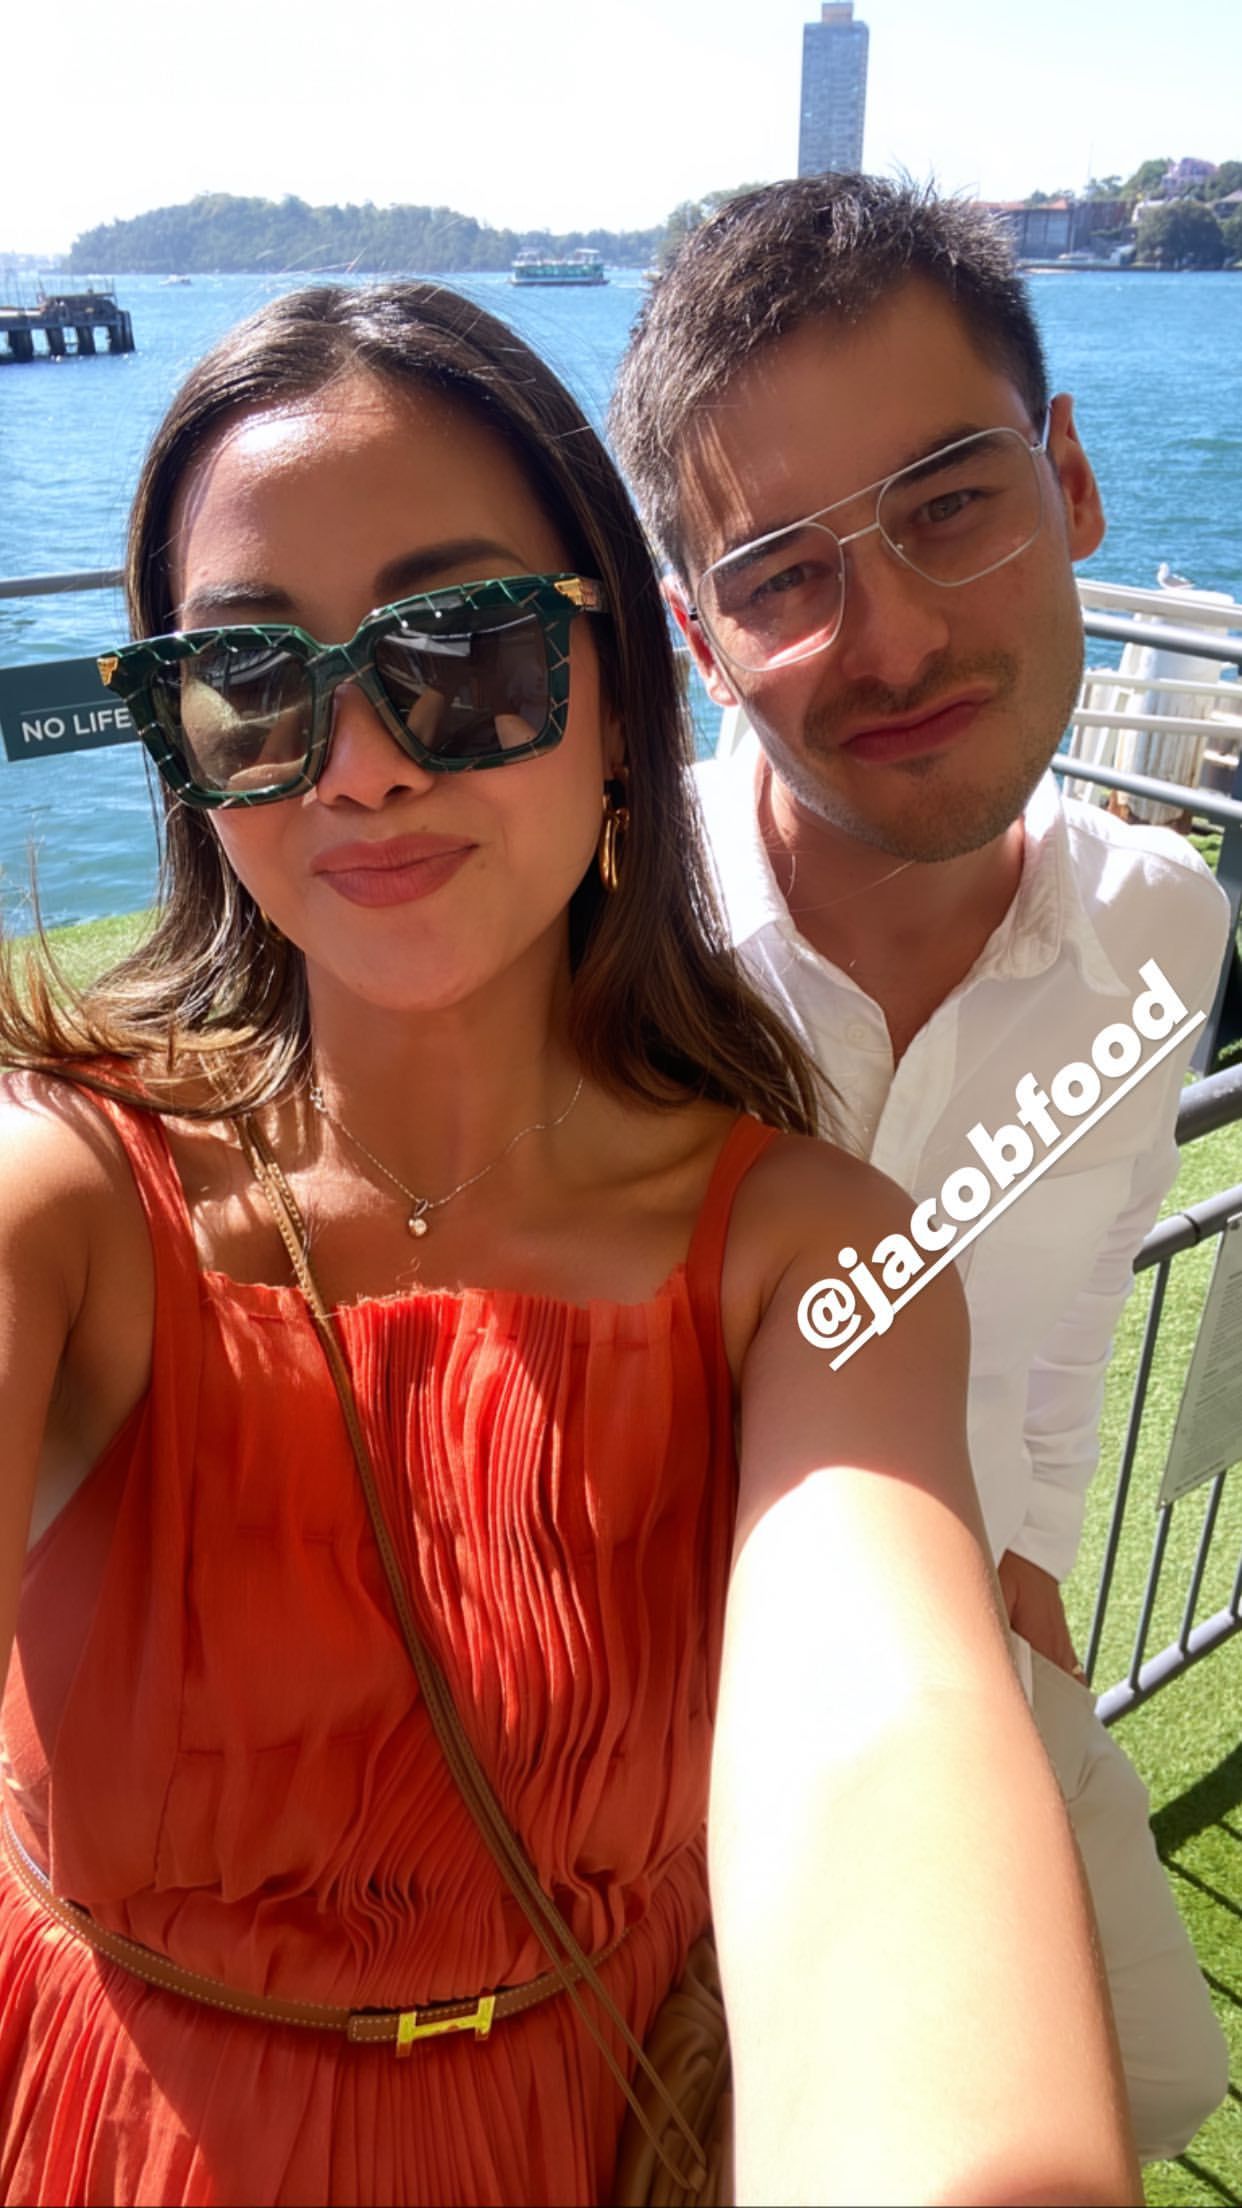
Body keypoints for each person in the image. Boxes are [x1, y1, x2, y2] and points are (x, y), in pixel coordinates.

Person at [0, 281, 1139, 2208]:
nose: (360, 763)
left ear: (622, 692)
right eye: (253, 680)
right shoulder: (70, 1196)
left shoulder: (806, 1262)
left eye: (461, 653)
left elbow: (881, 1732)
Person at [610, 172, 1231, 2165]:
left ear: (1072, 479)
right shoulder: (592, 948)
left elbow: (1061, 1327)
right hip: (616, 1760)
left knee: (1149, 2076)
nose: (888, 639)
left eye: (953, 503)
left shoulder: (1162, 930)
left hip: (969, 1671)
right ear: (698, 638)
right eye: (780, 574)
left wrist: (1025, 1573)